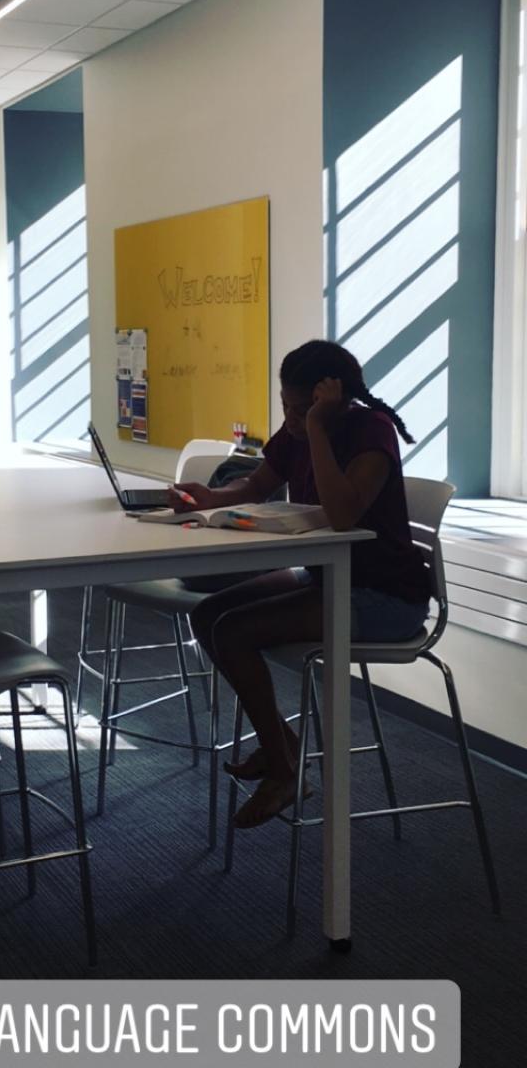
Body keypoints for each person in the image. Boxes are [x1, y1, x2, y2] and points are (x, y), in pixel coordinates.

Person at [173, 339, 432, 829]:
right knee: (207, 614)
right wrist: (208, 498)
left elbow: (341, 515)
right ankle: (284, 749)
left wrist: (314, 428)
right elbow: (253, 487)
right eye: (285, 406)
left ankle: (283, 769)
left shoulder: (370, 433)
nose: (289, 418)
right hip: (327, 577)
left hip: (384, 598)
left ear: (329, 400)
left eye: (299, 408)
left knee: (234, 631)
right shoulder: (296, 432)